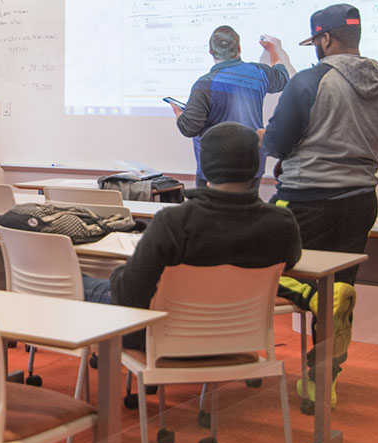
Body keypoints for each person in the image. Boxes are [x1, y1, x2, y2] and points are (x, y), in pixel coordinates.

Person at [261, 3, 378, 403]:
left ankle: (309, 295)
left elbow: (275, 144)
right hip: (360, 202)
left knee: (259, 262)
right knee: (341, 291)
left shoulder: (309, 83)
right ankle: (321, 383)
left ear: (325, 39)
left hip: (305, 198)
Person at [89, 124, 302, 339]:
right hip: (239, 338)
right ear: (256, 165)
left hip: (164, 338)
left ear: (205, 164)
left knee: (82, 283)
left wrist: (118, 270)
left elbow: (128, 297)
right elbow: (290, 262)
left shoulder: (173, 223)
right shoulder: (281, 224)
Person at [172, 26, 294, 187]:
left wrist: (179, 113)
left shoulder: (204, 84)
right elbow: (282, 76)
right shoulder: (259, 73)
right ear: (239, 48)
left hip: (214, 170)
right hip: (252, 166)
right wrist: (274, 50)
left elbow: (189, 128)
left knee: (210, 212)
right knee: (247, 212)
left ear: (210, 51)